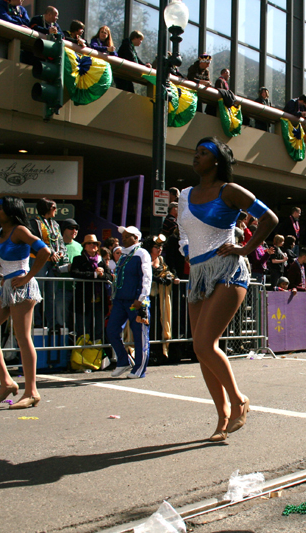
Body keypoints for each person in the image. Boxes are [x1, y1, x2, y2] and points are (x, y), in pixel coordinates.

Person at [177, 137, 278, 442]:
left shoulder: (229, 191)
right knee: (200, 348)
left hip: (227, 269)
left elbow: (269, 218)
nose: (196, 156)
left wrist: (246, 249)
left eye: (203, 153)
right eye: (195, 152)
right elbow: (184, 230)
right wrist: (186, 250)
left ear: (218, 160)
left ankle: (239, 400)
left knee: (206, 344)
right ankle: (222, 417)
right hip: (198, 273)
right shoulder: (185, 194)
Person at [0, 197, 51, 409]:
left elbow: (45, 251)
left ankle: (32, 392)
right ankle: (7, 382)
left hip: (23, 288)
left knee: (23, 337)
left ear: (11, 212)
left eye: (0, 209)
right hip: (7, 288)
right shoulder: (1, 233)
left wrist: (28, 277)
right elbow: (7, 263)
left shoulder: (19, 230)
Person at [108, 226, 152, 379]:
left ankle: (140, 368)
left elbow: (146, 277)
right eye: (123, 236)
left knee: (139, 333)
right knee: (112, 330)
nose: (123, 238)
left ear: (136, 238)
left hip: (135, 302)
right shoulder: (124, 255)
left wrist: (141, 298)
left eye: (127, 236)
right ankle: (123, 361)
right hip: (120, 301)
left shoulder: (141, 253)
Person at [30, 198, 67, 331]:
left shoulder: (55, 224)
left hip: (53, 263)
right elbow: (36, 240)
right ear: (46, 208)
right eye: (54, 207)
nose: (56, 210)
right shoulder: (34, 223)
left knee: (51, 294)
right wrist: (50, 252)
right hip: (38, 260)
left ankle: (52, 323)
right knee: (37, 291)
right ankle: (37, 321)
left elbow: (60, 241)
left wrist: (61, 252)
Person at [70, 234, 113, 342]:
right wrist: (94, 275)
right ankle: (81, 356)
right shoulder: (78, 259)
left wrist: (102, 275)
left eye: (95, 243)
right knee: (83, 330)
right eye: (89, 243)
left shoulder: (101, 260)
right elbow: (75, 273)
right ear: (84, 246)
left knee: (99, 329)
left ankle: (97, 355)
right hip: (84, 300)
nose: (92, 245)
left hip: (99, 301)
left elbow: (110, 276)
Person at [144, 235, 175, 359]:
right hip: (145, 297)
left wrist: (169, 276)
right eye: (156, 247)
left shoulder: (161, 260)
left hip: (159, 298)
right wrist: (155, 278)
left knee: (159, 323)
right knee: (147, 323)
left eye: (161, 246)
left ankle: (159, 351)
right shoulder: (144, 259)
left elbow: (168, 271)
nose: (159, 249)